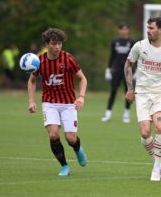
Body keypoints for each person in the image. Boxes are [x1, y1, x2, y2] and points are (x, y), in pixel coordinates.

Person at [124, 17, 161, 181]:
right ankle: (160, 163)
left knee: (159, 127)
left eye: (151, 28)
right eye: (147, 27)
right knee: (144, 133)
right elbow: (128, 64)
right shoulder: (139, 46)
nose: (148, 30)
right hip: (142, 94)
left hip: (159, 94)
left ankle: (156, 169)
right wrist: (130, 89)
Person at [27, 28, 88, 176]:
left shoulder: (68, 59)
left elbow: (82, 78)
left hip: (68, 103)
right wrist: (31, 101)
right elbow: (32, 80)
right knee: (53, 135)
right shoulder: (39, 61)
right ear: (47, 44)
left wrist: (81, 97)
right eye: (54, 44)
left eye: (59, 43)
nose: (57, 47)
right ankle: (64, 166)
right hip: (49, 103)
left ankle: (77, 149)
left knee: (70, 138)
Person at [101, 22, 136, 123]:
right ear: (119, 30)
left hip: (128, 71)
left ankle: (126, 113)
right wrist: (108, 69)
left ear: (128, 30)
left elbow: (136, 57)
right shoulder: (115, 41)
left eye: (125, 29)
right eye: (122, 29)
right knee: (113, 91)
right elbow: (112, 56)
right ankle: (108, 113)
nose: (124, 31)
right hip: (116, 70)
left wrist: (136, 70)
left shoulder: (132, 42)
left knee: (128, 91)